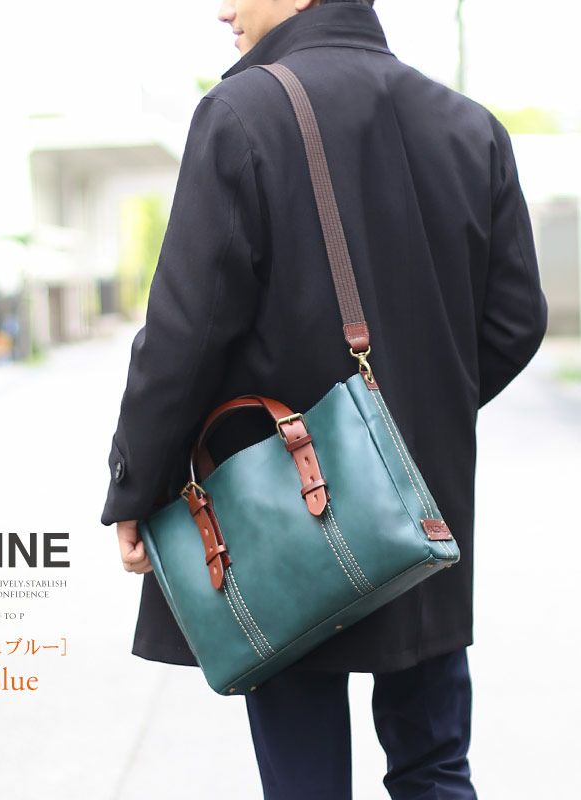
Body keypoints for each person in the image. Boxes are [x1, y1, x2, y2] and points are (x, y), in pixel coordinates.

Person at [100, 1, 548, 797]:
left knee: (305, 778)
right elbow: (515, 321)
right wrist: (404, 427)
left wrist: (136, 486)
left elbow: (184, 335)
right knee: (436, 765)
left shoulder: (244, 112)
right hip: (419, 508)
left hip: (284, 524)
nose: (222, 9)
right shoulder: (470, 127)